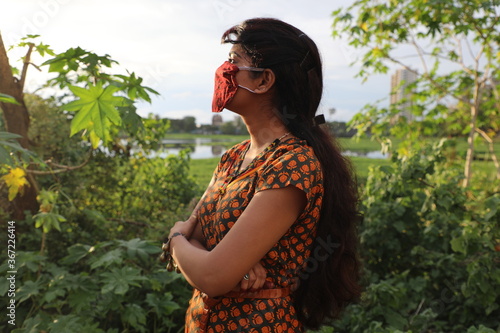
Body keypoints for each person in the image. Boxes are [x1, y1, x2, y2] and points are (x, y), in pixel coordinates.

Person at [165, 17, 361, 332]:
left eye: (233, 62)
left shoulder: (292, 165)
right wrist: (228, 262)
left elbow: (211, 275)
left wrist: (175, 239)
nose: (222, 71)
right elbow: (199, 238)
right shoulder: (233, 157)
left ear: (263, 81)